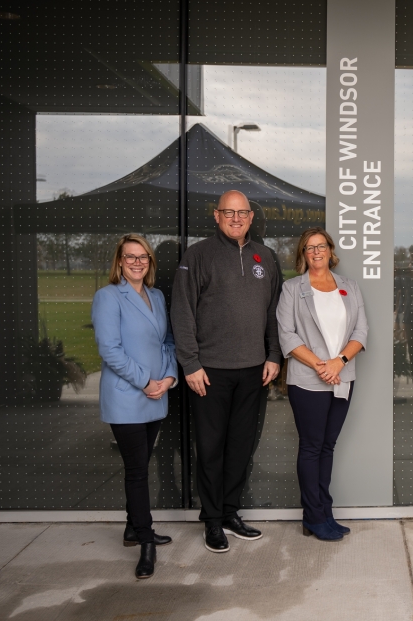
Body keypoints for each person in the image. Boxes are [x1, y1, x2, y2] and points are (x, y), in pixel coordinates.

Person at [171, 190, 282, 553]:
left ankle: (231, 511)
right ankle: (212, 520)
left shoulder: (265, 256)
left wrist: (273, 355)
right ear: (216, 216)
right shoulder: (198, 255)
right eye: (228, 212)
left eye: (243, 212)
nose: (236, 218)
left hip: (253, 371)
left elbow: (273, 313)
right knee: (211, 448)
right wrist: (190, 363)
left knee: (240, 447)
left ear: (251, 218)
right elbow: (183, 312)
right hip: (210, 372)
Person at [92, 234, 177, 579]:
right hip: (128, 397)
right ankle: (145, 540)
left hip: (157, 394)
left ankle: (131, 527)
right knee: (138, 471)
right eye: (131, 257)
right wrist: (145, 381)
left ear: (150, 262)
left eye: (143, 257)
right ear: (120, 261)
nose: (138, 262)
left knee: (141, 464)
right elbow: (109, 350)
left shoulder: (156, 296)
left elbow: (168, 342)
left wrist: (168, 379)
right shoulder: (108, 296)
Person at [277, 227, 367, 541]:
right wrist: (320, 365)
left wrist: (338, 362)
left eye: (321, 246)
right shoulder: (292, 289)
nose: (316, 252)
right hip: (307, 380)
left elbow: (361, 332)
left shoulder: (349, 287)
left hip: (342, 377)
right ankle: (313, 516)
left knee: (328, 446)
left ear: (330, 250)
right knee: (312, 447)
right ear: (303, 254)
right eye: (309, 248)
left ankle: (325, 511)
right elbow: (287, 335)